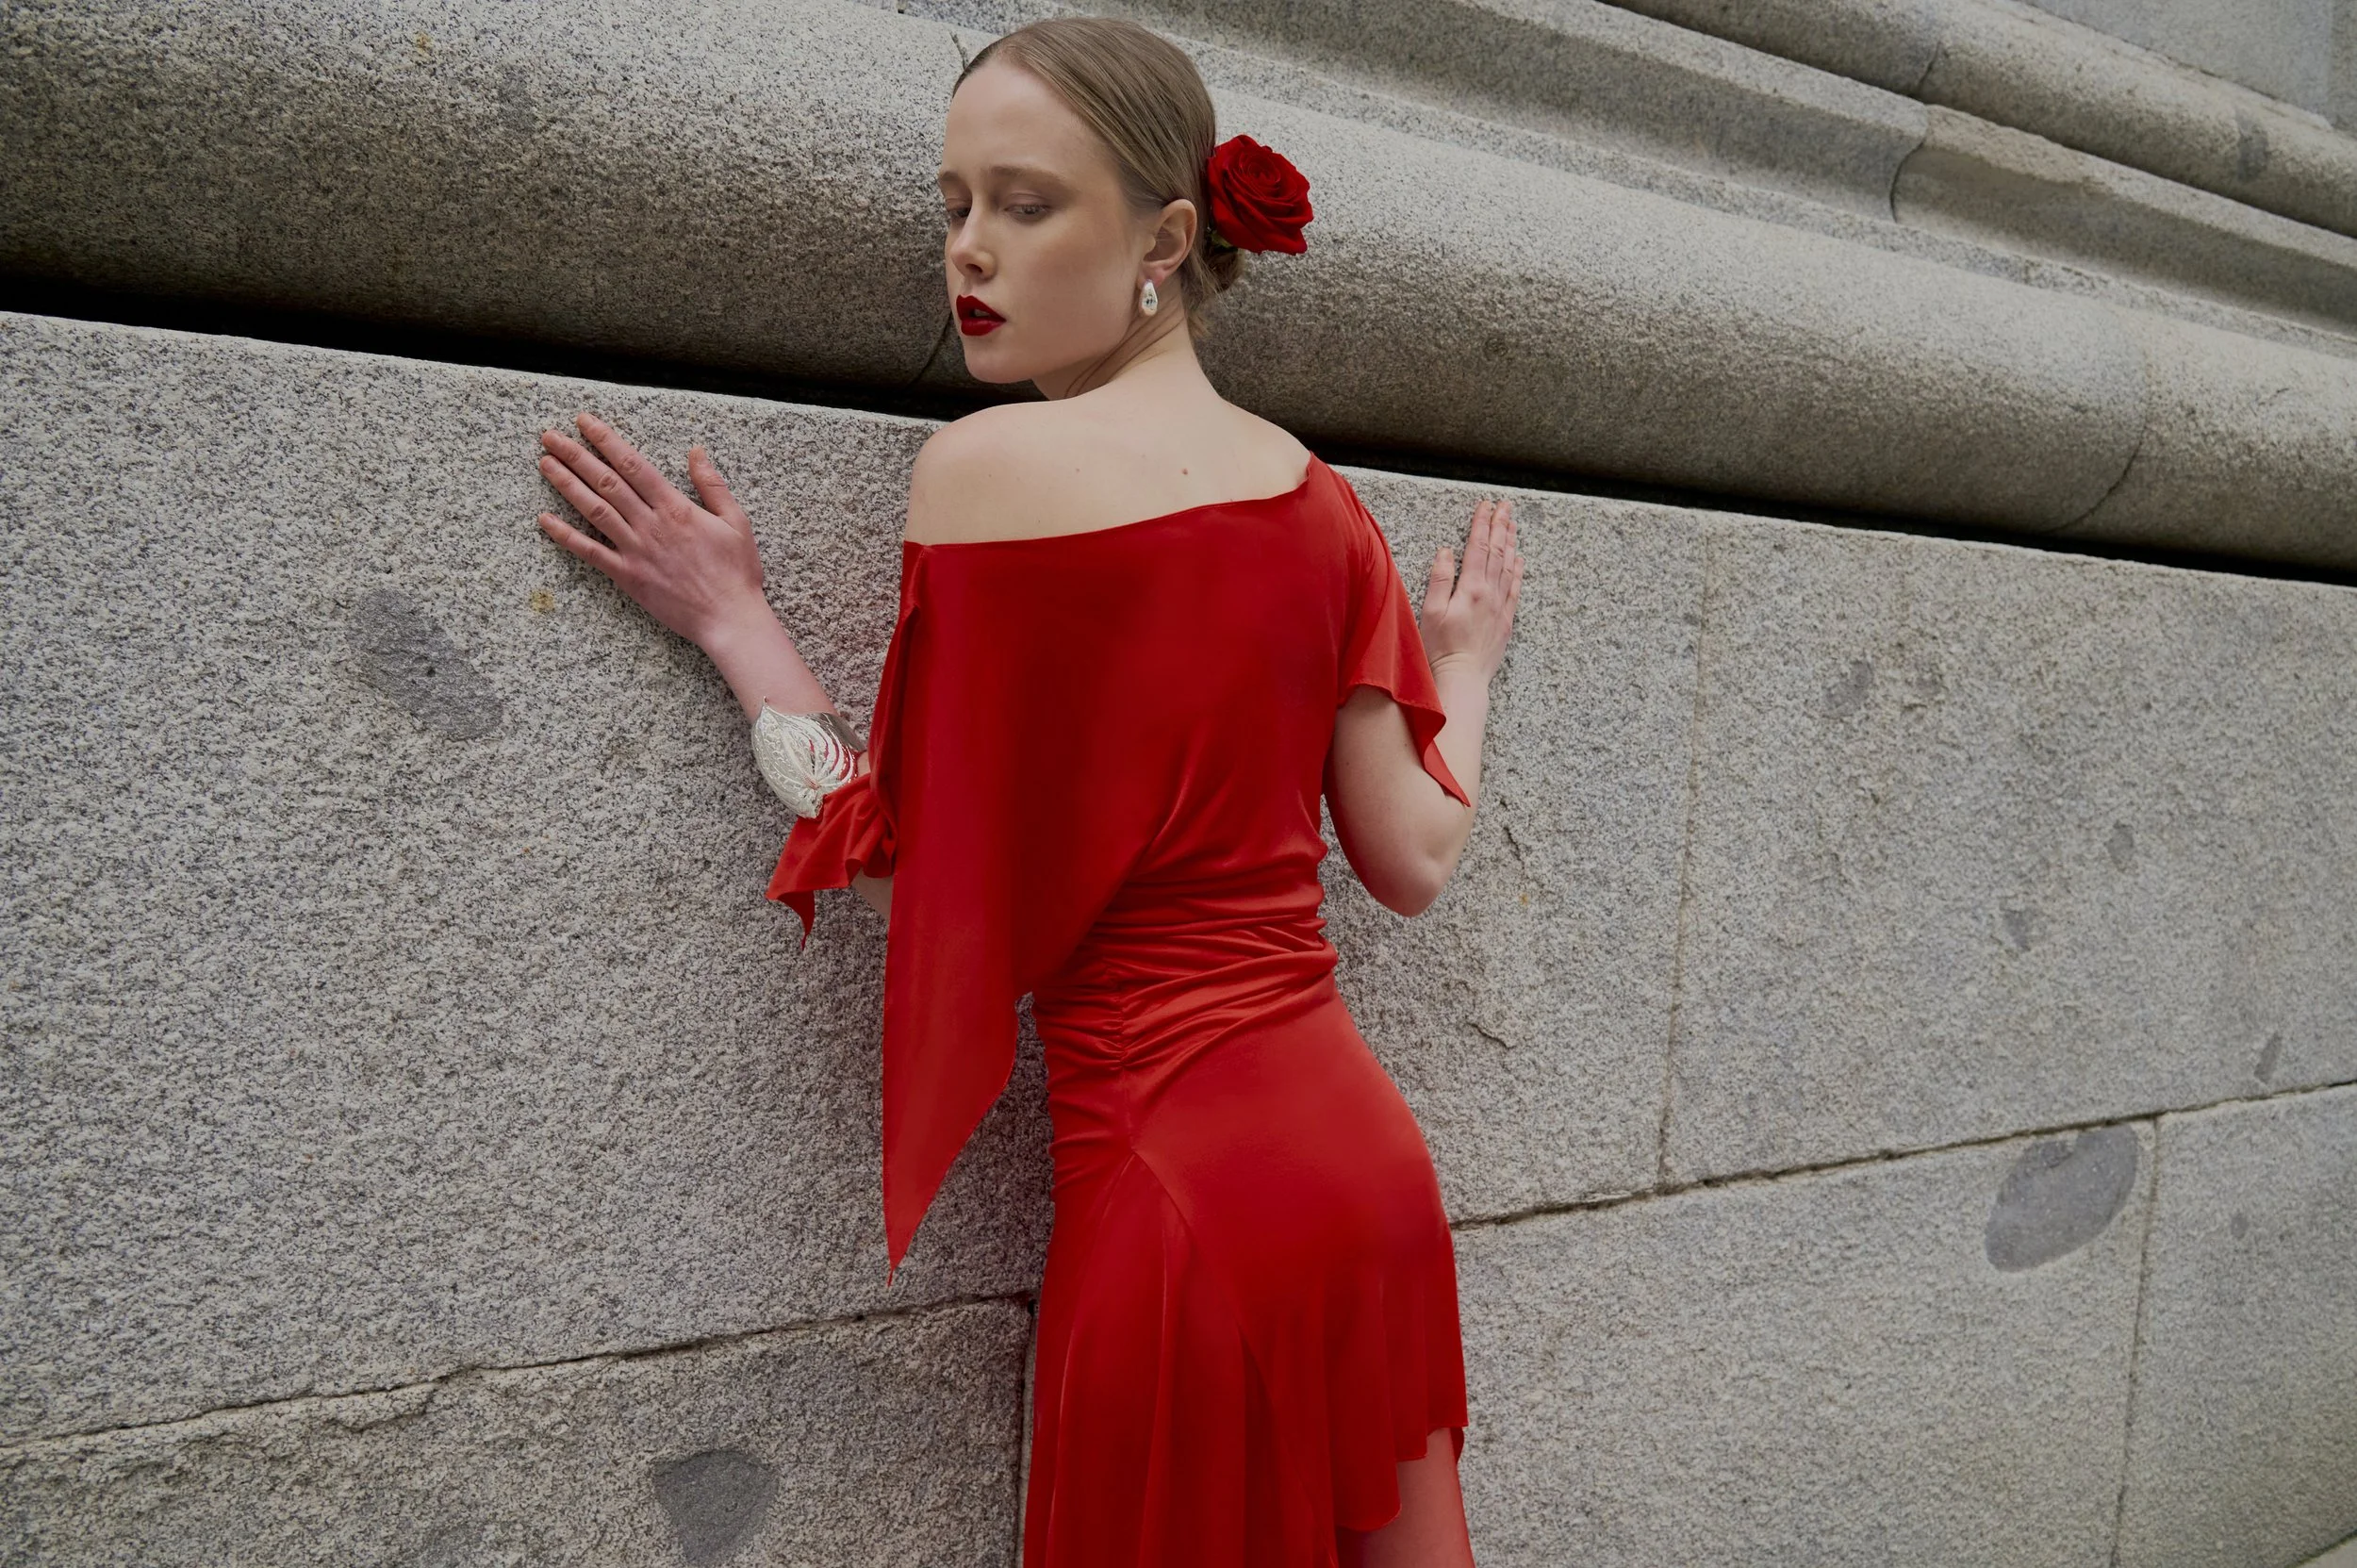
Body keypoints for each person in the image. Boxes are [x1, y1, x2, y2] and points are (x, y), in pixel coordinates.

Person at [532, 17, 1521, 1565]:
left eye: (1025, 202)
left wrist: (737, 623)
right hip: (1364, 1173)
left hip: (1175, 1197)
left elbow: (898, 866)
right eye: (952, 205)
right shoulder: (1322, 502)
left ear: (1166, 240)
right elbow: (1413, 855)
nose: (969, 251)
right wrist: (1463, 665)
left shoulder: (993, 472)